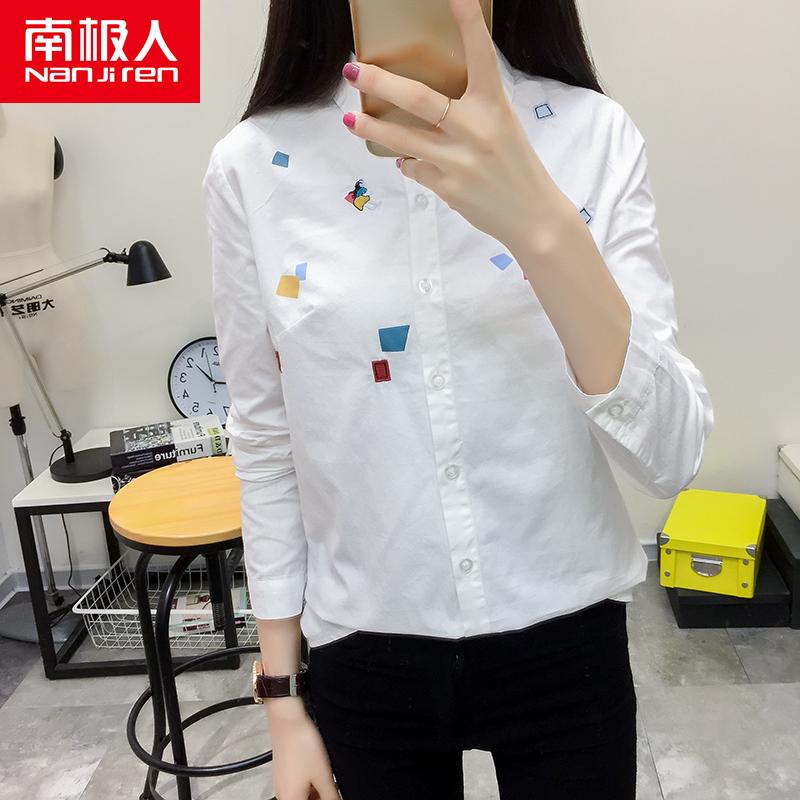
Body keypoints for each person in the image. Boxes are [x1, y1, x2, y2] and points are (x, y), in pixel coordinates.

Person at [202, 1, 715, 798]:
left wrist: (541, 224)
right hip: (363, 646)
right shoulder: (254, 166)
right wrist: (281, 698)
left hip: (567, 640)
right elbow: (267, 438)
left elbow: (672, 457)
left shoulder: (591, 135)